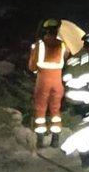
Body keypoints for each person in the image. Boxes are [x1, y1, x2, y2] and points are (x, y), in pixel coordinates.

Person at [60, 32, 89, 168]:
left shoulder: (77, 57)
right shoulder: (85, 58)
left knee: (85, 128)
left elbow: (67, 76)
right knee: (88, 129)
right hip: (83, 98)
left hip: (74, 97)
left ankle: (86, 160)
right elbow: (88, 78)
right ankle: (67, 148)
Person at [28, 19, 67, 148]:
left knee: (40, 110)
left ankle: (40, 141)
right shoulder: (63, 45)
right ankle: (55, 141)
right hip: (57, 81)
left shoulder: (40, 45)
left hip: (43, 80)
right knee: (56, 110)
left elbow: (32, 67)